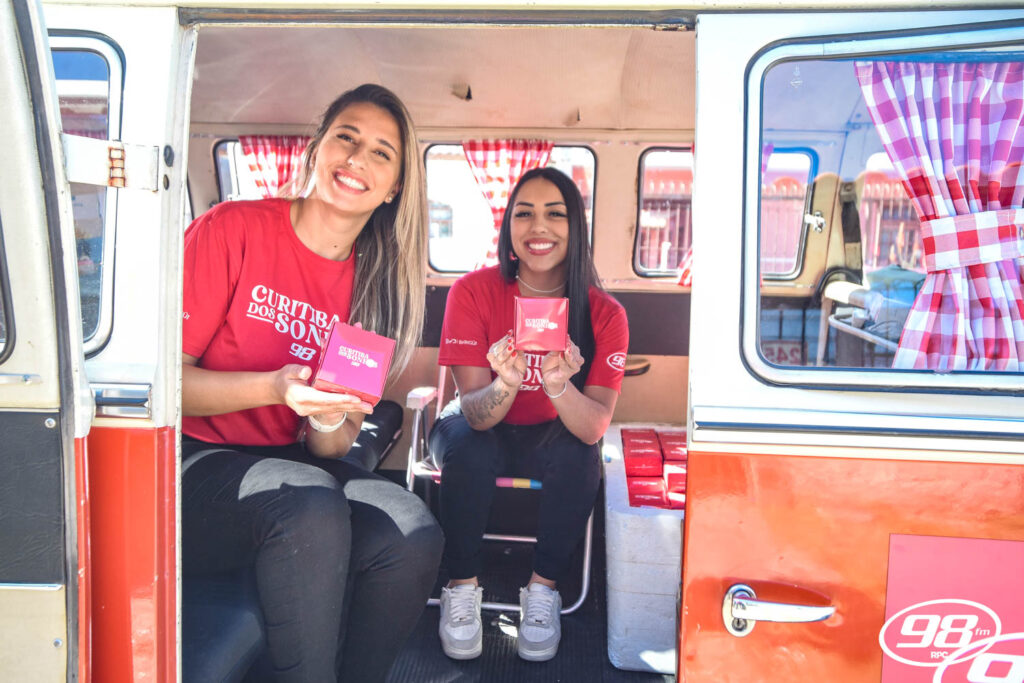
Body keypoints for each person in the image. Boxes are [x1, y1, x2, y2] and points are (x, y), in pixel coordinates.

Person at [180, 83, 443, 683]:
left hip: (286, 458)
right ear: (316, 148)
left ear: (395, 187)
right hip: (189, 459)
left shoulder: (375, 288)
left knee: (412, 533)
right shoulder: (232, 228)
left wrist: (326, 414)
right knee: (309, 504)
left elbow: (331, 447)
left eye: (381, 153)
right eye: (346, 137)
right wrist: (275, 389)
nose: (357, 159)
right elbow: (162, 386)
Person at [430, 167, 629, 662]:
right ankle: (461, 587)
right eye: (524, 214)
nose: (538, 227)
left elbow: (594, 427)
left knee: (582, 455)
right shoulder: (472, 291)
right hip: (476, 426)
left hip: (551, 432)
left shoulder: (606, 313)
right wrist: (507, 383)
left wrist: (558, 386)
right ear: (508, 227)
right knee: (471, 446)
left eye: (555, 214)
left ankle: (543, 591)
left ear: (575, 227)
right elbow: (475, 413)